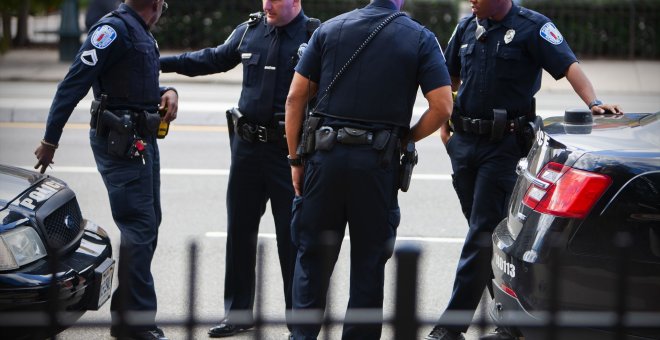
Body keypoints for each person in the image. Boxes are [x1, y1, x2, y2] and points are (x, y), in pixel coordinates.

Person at [424, 0, 622, 339]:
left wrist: (593, 103)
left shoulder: (532, 26)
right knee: (486, 237)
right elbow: (451, 75)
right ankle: (510, 320)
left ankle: (450, 327)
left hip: (503, 147)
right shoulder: (467, 27)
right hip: (465, 146)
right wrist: (447, 118)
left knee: (481, 233)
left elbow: (568, 64)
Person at [284, 0, 453, 338]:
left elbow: (294, 98)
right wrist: (407, 137)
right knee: (368, 266)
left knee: (312, 260)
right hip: (377, 165)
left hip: (324, 161)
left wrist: (295, 160)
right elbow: (443, 106)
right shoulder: (419, 37)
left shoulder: (329, 28)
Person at [159, 0, 317, 337]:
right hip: (246, 149)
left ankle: (298, 325)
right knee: (240, 232)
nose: (267, 4)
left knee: (292, 239)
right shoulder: (250, 30)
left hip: (286, 152)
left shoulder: (314, 35)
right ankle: (238, 313)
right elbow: (212, 59)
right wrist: (158, 63)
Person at [34, 1, 177, 339]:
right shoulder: (112, 30)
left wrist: (167, 91)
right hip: (120, 143)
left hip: (141, 140)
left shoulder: (138, 32)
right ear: (156, 6)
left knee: (148, 223)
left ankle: (128, 317)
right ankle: (134, 325)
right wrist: (50, 140)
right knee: (140, 227)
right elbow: (73, 83)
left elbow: (134, 84)